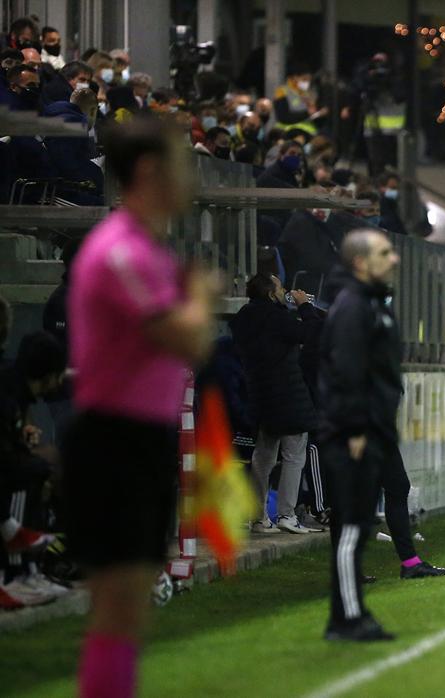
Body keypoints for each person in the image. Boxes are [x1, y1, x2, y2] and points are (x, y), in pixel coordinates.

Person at [62, 117, 217, 697]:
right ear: (150, 171)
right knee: (118, 605)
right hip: (114, 440)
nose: (190, 177)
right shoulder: (120, 251)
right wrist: (200, 299)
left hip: (140, 439)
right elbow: (189, 339)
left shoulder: (145, 250)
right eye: (181, 163)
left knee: (129, 609)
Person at [320, 230, 445, 643]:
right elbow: (346, 370)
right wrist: (355, 428)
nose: (394, 258)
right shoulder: (352, 307)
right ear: (360, 262)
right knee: (351, 530)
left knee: (361, 522)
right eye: (384, 253)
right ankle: (346, 619)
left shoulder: (374, 304)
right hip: (354, 432)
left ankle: (357, 610)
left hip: (375, 429)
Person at [229, 273, 323, 535]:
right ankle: (287, 515)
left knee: (263, 456)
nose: (285, 291)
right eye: (280, 288)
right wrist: (305, 306)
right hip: (288, 395)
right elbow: (310, 333)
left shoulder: (243, 319)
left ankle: (258, 517)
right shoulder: (277, 318)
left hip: (260, 395)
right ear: (271, 294)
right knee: (294, 454)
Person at [0, 331, 68, 606]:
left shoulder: (17, 394)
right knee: (29, 473)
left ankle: (31, 570)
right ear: (48, 373)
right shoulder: (7, 395)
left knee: (40, 467)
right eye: (59, 373)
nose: (62, 380)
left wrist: (21, 439)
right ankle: (15, 575)